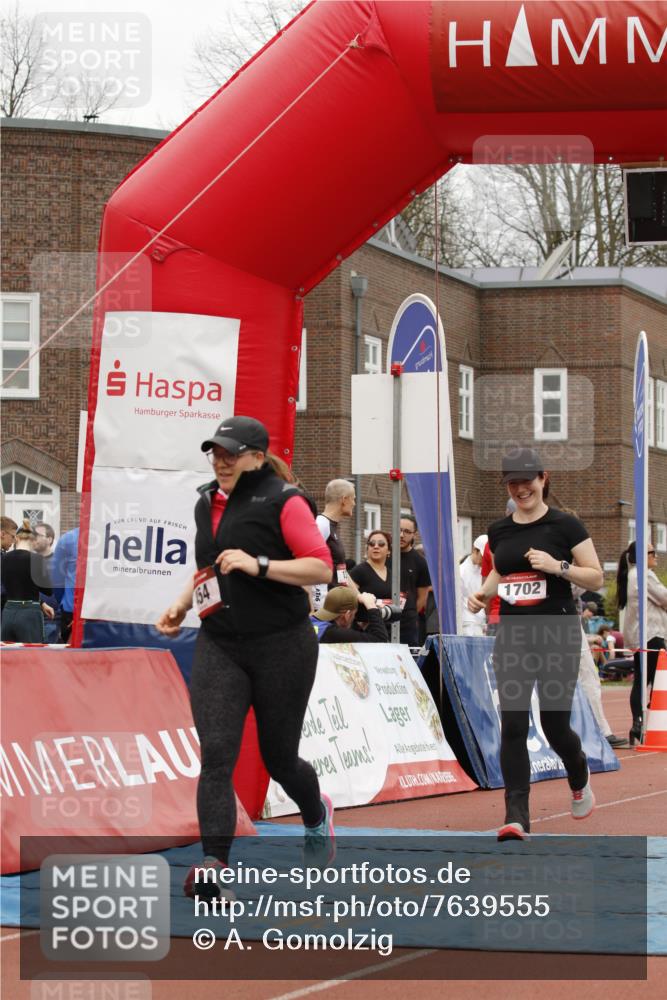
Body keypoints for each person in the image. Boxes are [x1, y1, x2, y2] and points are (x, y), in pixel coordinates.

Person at [155, 415, 335, 897]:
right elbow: (208, 571)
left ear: (257, 458)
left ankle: (316, 815)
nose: (221, 461)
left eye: (231, 453)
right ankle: (214, 864)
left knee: (280, 760)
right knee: (216, 756)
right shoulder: (204, 504)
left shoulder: (284, 499)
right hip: (220, 644)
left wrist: (260, 564)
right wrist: (180, 604)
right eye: (215, 452)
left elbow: (321, 567)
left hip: (283, 644)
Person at [468, 447, 603, 841]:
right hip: (513, 636)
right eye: (512, 482)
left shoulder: (566, 527)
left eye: (527, 480)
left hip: (556, 633)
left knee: (554, 724)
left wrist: (557, 566)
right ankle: (516, 816)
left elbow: (596, 578)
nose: (520, 488)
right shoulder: (499, 530)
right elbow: (500, 573)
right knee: (512, 724)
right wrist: (482, 594)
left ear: (543, 479)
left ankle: (578, 772)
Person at [616, 541, 667, 745]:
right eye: (651, 552)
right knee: (658, 681)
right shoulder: (644, 574)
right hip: (651, 634)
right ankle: (653, 720)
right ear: (641, 556)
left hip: (640, 635)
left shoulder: (631, 575)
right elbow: (664, 597)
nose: (655, 556)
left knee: (641, 680)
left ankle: (638, 723)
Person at [1, 519, 54, 642]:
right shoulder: (37, 560)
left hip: (8, 611)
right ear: (33, 541)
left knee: (7, 656)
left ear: (17, 539)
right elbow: (48, 590)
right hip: (29, 613)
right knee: (32, 655)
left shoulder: (4, 558)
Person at [313, 480, 358, 607]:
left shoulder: (332, 526)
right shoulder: (321, 524)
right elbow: (309, 563)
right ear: (344, 499)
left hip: (335, 607)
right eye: (353, 499)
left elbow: (340, 569)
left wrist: (359, 597)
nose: (354, 503)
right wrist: (314, 607)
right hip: (322, 608)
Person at [311, 587, 389, 643]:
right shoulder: (333, 634)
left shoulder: (312, 622)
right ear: (347, 615)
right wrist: (371, 606)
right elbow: (380, 640)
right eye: (354, 614)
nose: (355, 617)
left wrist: (363, 626)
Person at [398, 515, 431, 646]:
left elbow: (422, 598)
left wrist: (409, 615)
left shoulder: (420, 562)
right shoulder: (384, 555)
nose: (401, 535)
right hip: (381, 620)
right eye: (399, 530)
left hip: (407, 625)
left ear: (414, 535)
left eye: (407, 531)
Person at [51, 526, 80, 642]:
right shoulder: (68, 539)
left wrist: (65, 601)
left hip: (71, 608)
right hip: (72, 610)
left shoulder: (68, 539)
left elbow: (56, 578)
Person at [34, 523, 59, 642]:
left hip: (51, 619)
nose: (34, 538)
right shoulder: (27, 560)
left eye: (38, 535)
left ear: (49, 539)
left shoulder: (59, 562)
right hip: (30, 618)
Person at [459, 534, 488, 637]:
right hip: (466, 624)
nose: (485, 561)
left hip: (481, 622)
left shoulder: (485, 571)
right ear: (475, 550)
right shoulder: (461, 571)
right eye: (483, 557)